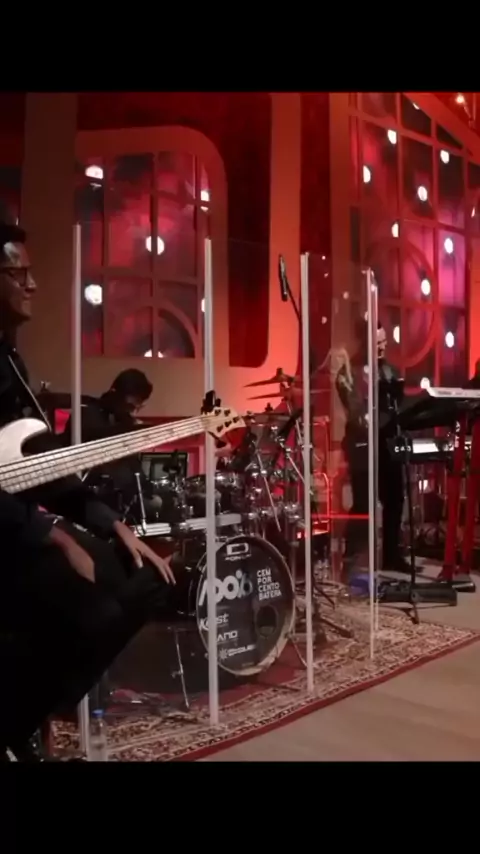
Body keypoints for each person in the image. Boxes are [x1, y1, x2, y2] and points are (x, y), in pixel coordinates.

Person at [0, 212, 176, 759]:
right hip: (9, 533)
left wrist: (111, 523)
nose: (33, 284)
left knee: (151, 580)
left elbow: (40, 465)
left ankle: (24, 713)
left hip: (21, 525)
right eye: (19, 273)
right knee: (92, 611)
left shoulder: (11, 362)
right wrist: (52, 535)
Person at [336, 319, 409, 574]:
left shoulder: (389, 370)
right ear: (366, 342)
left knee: (395, 498)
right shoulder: (349, 372)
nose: (382, 347)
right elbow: (356, 410)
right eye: (378, 342)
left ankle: (391, 555)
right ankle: (352, 557)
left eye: (384, 341)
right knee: (363, 502)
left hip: (386, 441)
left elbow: (397, 404)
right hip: (362, 444)